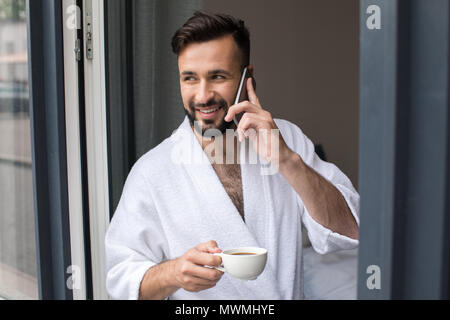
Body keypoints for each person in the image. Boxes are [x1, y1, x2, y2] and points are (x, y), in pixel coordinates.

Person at [105, 11, 359, 300]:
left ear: (247, 78)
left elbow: (348, 231)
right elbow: (120, 278)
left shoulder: (288, 140)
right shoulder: (152, 171)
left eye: (217, 76)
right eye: (190, 78)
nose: (202, 96)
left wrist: (287, 160)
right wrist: (174, 272)